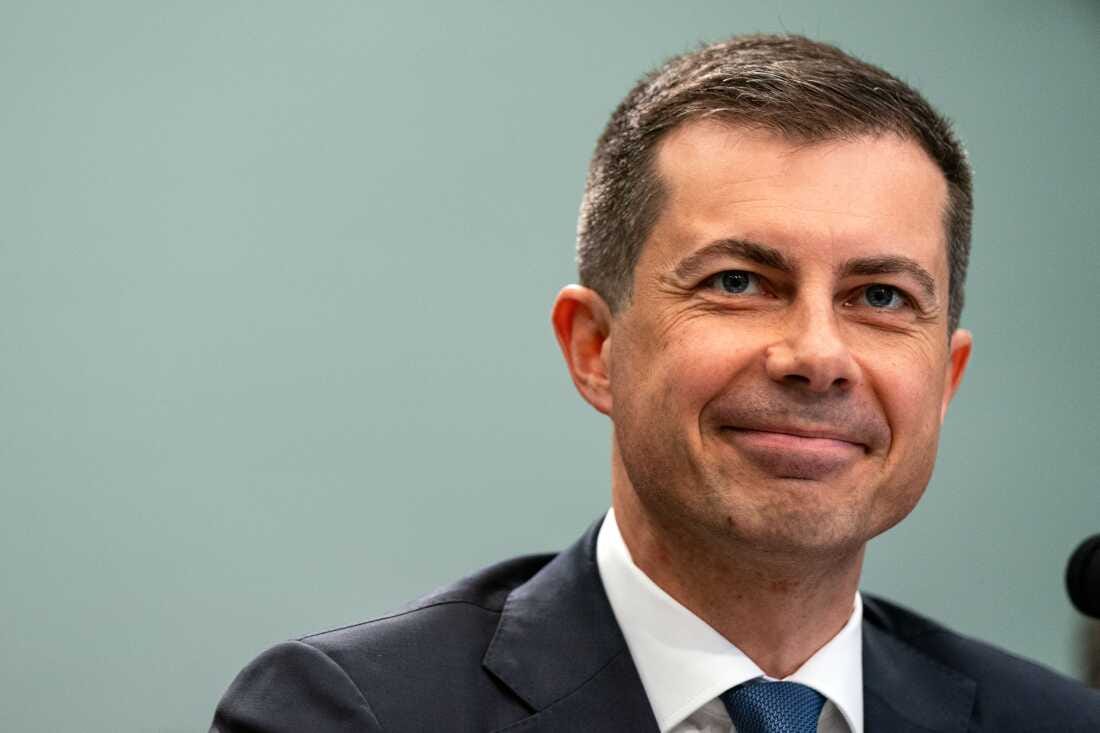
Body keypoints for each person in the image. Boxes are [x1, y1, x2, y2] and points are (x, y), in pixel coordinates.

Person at [210, 34, 1100, 732]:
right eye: (739, 283)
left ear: (945, 381)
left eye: (880, 295)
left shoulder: (1056, 721)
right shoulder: (352, 715)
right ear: (595, 347)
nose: (816, 354)